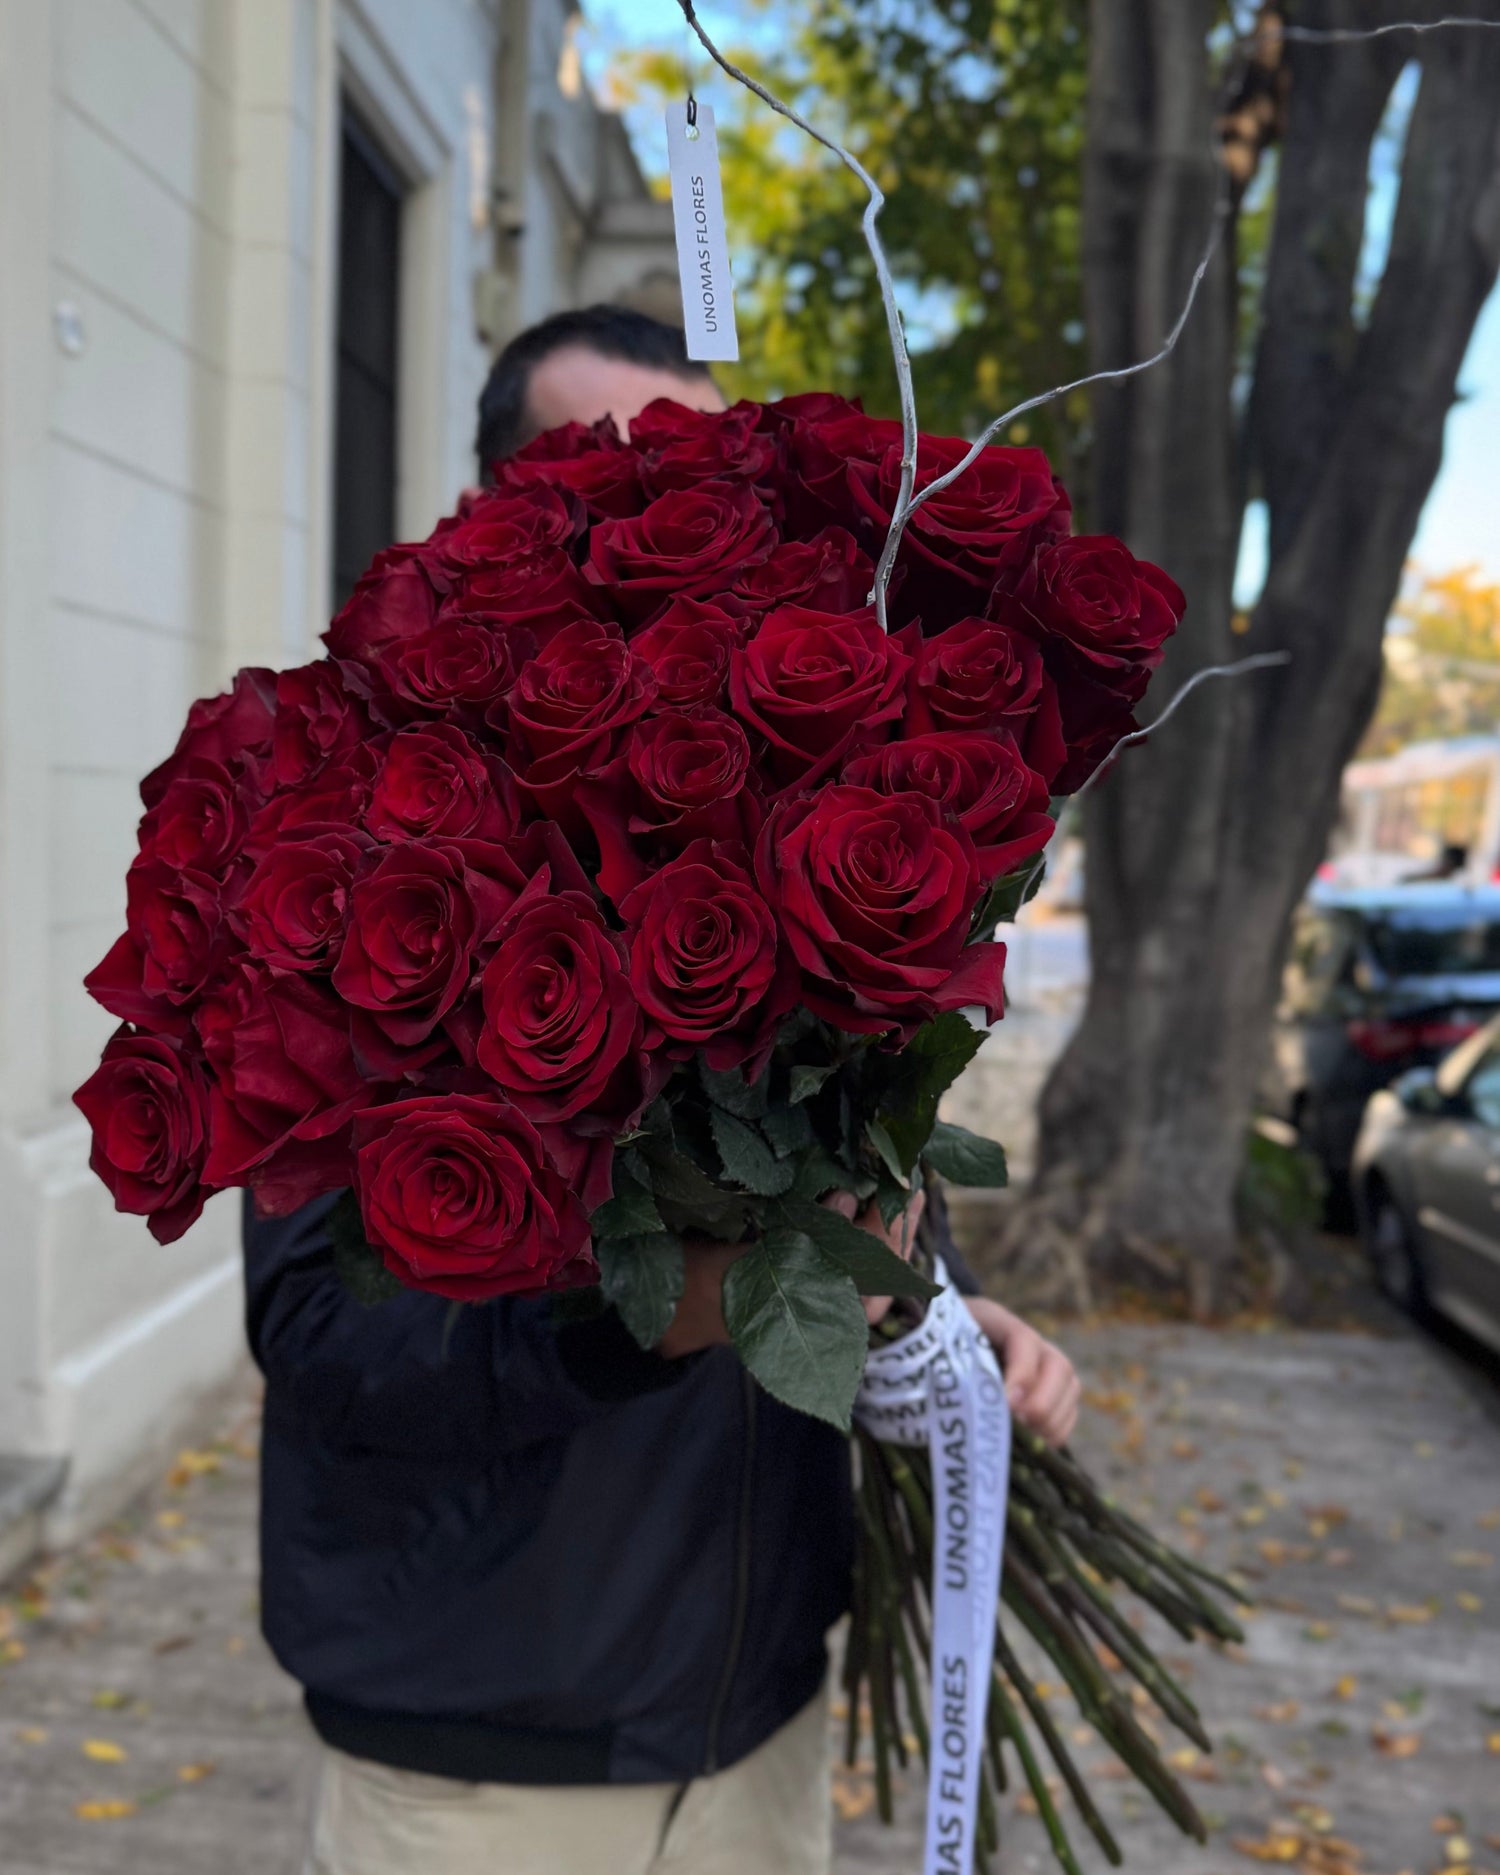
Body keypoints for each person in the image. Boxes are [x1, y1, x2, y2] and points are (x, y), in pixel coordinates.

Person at [247, 303, 1081, 1875]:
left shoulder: (782, 790)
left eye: (692, 484)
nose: (654, 524)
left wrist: (932, 1313)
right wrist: (674, 1309)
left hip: (756, 1720)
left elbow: (852, 1152)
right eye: (607, 472)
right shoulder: (365, 849)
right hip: (491, 1757)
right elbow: (330, 1340)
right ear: (493, 507)